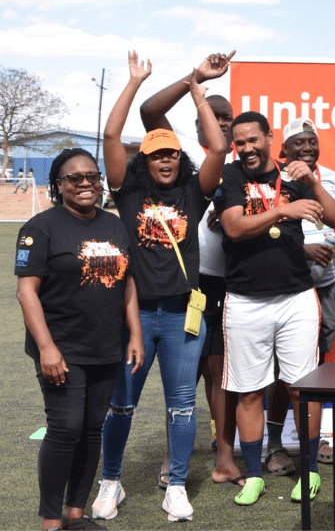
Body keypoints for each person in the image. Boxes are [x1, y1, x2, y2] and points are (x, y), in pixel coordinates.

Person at [93, 51, 227, 523]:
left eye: (171, 152)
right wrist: (133, 83)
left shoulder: (194, 192)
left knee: (183, 407)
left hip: (180, 314)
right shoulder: (128, 193)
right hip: (132, 314)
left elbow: (218, 149)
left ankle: (176, 487)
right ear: (144, 160)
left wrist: (196, 88)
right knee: (122, 404)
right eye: (155, 154)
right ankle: (111, 481)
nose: (165, 159)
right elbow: (111, 135)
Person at [216, 111, 335, 506]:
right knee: (250, 391)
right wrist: (281, 211)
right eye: (240, 143)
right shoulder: (233, 176)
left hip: (295, 298)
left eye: (253, 140)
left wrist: (310, 183)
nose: (246, 149)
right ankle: (254, 474)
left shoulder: (293, 176)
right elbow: (235, 228)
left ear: (270, 138)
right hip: (244, 300)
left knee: (301, 387)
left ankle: (309, 473)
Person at [17, 148, 142, 531]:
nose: (86, 183)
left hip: (105, 346)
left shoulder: (115, 225)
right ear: (59, 185)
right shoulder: (40, 228)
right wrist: (47, 347)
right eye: (75, 178)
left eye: (93, 176)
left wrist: (134, 332)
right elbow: (27, 292)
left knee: (91, 428)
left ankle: (75, 514)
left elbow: (128, 282)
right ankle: (51, 520)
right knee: (66, 427)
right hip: (61, 348)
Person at [138, 51, 243, 488]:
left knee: (219, 373)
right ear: (198, 122)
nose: (221, 123)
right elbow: (150, 110)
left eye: (227, 118)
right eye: (214, 115)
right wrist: (195, 78)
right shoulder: (181, 158)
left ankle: (224, 457)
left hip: (226, 286)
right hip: (184, 286)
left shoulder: (241, 171)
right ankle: (171, 453)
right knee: (182, 377)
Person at [263, 117, 335, 476]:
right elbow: (265, 229)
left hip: (325, 284)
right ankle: (274, 446)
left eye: (312, 141)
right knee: (284, 371)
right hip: (286, 287)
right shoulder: (271, 179)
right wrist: (303, 250)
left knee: (316, 367)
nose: (308, 148)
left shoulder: (329, 177)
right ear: (283, 149)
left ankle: (314, 439)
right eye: (299, 142)